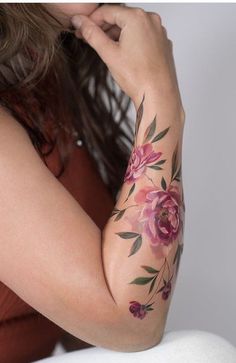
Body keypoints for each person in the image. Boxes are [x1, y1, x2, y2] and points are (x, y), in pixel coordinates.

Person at [0, 3, 235, 363]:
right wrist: (158, 97)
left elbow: (97, 333)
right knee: (200, 354)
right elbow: (131, 324)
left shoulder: (42, 75)